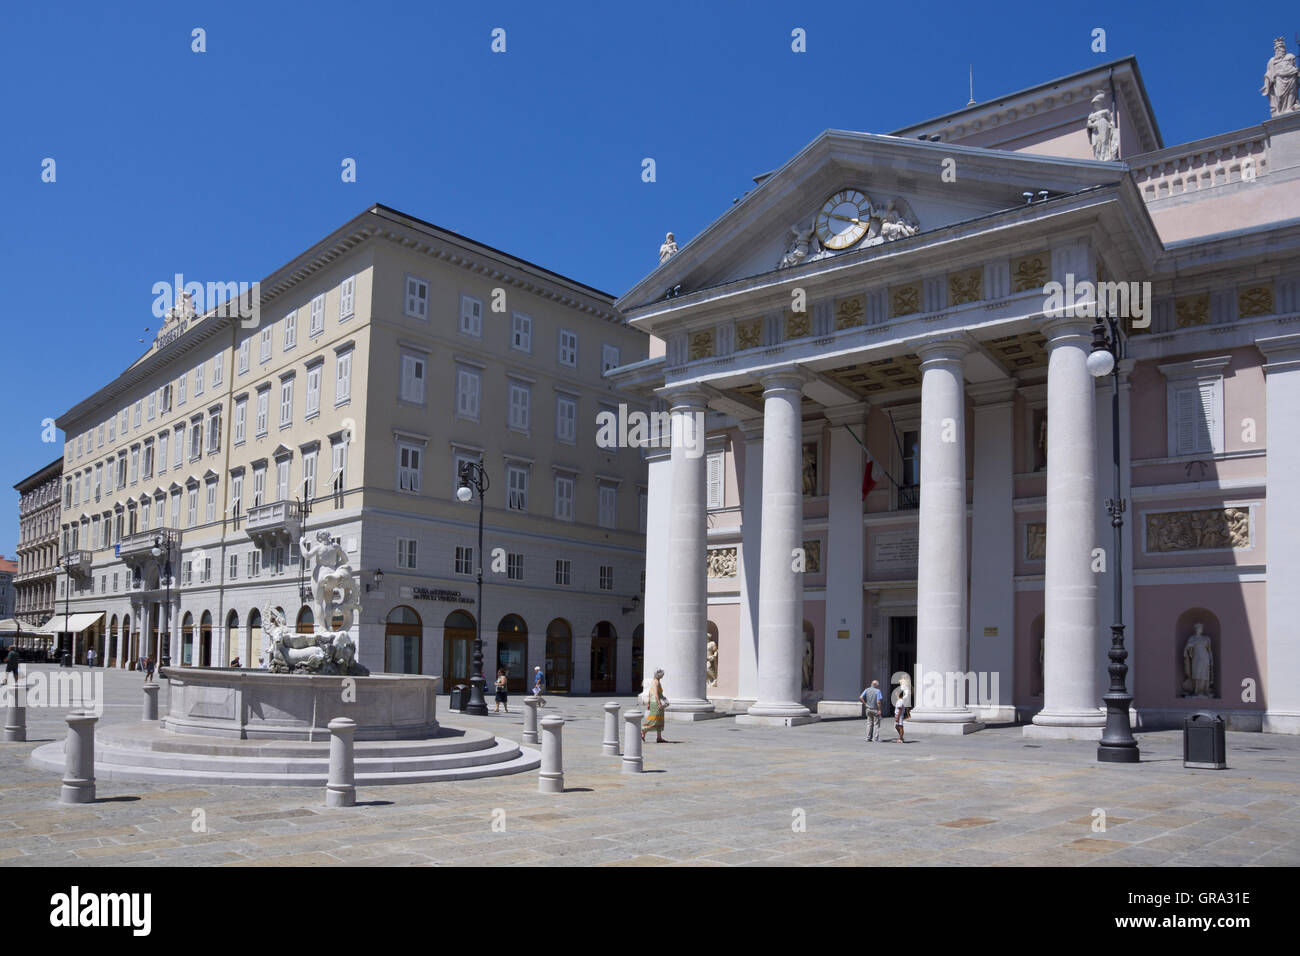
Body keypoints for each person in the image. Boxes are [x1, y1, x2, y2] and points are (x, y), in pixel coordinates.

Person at [640, 669, 669, 743]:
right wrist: (659, 703)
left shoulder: (654, 681)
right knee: (654, 719)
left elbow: (650, 693)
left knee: (659, 719)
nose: (663, 676)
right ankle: (643, 730)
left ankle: (659, 737)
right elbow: (656, 693)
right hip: (656, 702)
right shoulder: (656, 682)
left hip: (654, 702)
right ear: (659, 675)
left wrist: (649, 703)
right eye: (662, 675)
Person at [892, 676, 911, 743]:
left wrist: (897, 717)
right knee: (897, 726)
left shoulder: (900, 700)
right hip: (898, 714)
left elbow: (899, 709)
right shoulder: (900, 700)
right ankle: (901, 737)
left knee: (900, 726)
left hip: (899, 715)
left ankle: (901, 738)